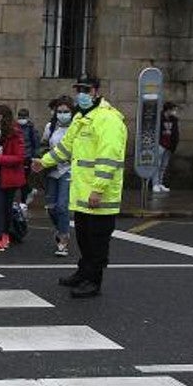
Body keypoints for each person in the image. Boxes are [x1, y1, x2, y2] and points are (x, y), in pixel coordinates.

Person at [33, 76, 127, 298]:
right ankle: (83, 273)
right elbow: (66, 147)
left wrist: (98, 189)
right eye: (78, 90)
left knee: (97, 240)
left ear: (95, 91)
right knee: (84, 236)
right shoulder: (81, 118)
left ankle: (94, 281)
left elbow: (109, 157)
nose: (81, 95)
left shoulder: (108, 119)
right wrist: (44, 162)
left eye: (85, 90)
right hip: (83, 193)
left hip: (99, 195)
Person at [0, 104, 27, 253]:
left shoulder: (14, 133)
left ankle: (1, 237)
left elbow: (19, 157)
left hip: (7, 176)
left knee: (4, 207)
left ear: (0, 117)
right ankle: (1, 236)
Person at [41, 96, 74, 257]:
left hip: (68, 170)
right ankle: (60, 228)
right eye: (59, 111)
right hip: (52, 169)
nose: (62, 114)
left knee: (62, 206)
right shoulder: (50, 127)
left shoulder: (76, 127)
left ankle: (63, 239)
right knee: (51, 207)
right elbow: (43, 145)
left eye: (66, 111)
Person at [154, 102, 180, 193]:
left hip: (169, 145)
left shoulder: (174, 120)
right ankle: (155, 184)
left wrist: (174, 144)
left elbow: (175, 132)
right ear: (168, 110)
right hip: (160, 144)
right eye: (174, 110)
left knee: (163, 165)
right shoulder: (159, 118)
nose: (175, 112)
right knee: (157, 164)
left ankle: (160, 183)